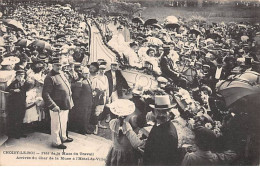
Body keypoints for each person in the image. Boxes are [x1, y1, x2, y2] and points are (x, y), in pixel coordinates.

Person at [42, 58, 74, 149]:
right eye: (56, 65)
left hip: (65, 104)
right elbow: (45, 94)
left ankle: (63, 137)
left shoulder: (62, 74)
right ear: (52, 65)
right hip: (57, 106)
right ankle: (56, 142)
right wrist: (53, 105)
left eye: (60, 65)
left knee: (63, 123)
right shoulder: (49, 77)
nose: (59, 67)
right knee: (56, 125)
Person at [106, 99, 145, 166]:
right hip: (125, 153)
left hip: (115, 149)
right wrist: (143, 142)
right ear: (127, 115)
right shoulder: (127, 126)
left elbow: (118, 134)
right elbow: (136, 143)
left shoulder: (113, 122)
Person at [143, 95, 179, 166]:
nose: (161, 115)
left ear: (169, 112)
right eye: (159, 111)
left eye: (164, 112)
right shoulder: (159, 122)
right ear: (154, 112)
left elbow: (165, 160)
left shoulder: (169, 135)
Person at [69, 67, 94, 134]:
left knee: (88, 116)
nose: (87, 75)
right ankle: (82, 130)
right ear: (82, 74)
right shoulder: (80, 82)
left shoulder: (88, 80)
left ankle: (86, 128)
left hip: (89, 101)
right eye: (85, 74)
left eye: (88, 73)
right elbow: (76, 95)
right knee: (83, 117)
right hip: (83, 103)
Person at [6, 70, 26, 139]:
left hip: (22, 103)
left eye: (22, 76)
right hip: (15, 104)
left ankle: (20, 132)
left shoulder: (24, 82)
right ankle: (15, 134)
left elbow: (26, 89)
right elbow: (7, 89)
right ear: (16, 76)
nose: (20, 78)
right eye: (19, 76)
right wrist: (14, 90)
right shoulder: (14, 83)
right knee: (15, 119)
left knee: (21, 118)